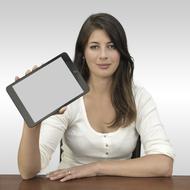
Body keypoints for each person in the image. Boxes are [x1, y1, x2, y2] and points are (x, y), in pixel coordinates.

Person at [16, 13, 174, 181]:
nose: (103, 55)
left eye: (112, 46)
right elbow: (28, 171)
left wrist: (96, 168)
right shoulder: (66, 96)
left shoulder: (139, 97)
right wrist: (31, 122)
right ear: (83, 52)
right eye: (94, 46)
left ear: (121, 52)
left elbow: (164, 164)